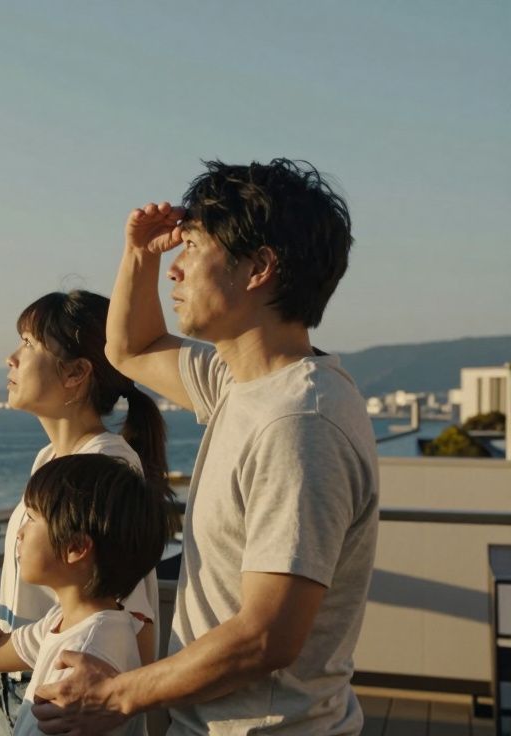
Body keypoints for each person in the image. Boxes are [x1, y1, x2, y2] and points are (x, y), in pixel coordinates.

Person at [32, 159, 379, 734]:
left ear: (259, 267)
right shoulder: (238, 383)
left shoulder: (298, 423)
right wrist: (138, 254)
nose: (176, 267)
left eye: (192, 246)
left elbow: (267, 635)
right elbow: (129, 348)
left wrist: (116, 694)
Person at [0, 290, 176, 734]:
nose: (10, 358)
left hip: (63, 694)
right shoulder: (49, 459)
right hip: (25, 678)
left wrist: (122, 710)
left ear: (76, 373)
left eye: (29, 344)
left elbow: (136, 618)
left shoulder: (106, 468)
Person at [0, 454, 174, 736]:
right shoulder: (73, 621)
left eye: (31, 518)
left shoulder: (81, 661)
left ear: (76, 547)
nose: (19, 533)